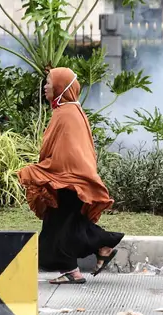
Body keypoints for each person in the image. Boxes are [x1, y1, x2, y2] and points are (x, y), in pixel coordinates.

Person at [18, 67, 123, 284]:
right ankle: (100, 249)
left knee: (63, 229)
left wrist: (40, 171)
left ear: (60, 86)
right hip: (69, 180)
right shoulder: (68, 110)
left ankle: (92, 253)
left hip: (68, 181)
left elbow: (66, 156)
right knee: (67, 227)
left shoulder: (66, 114)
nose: (45, 86)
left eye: (49, 82)